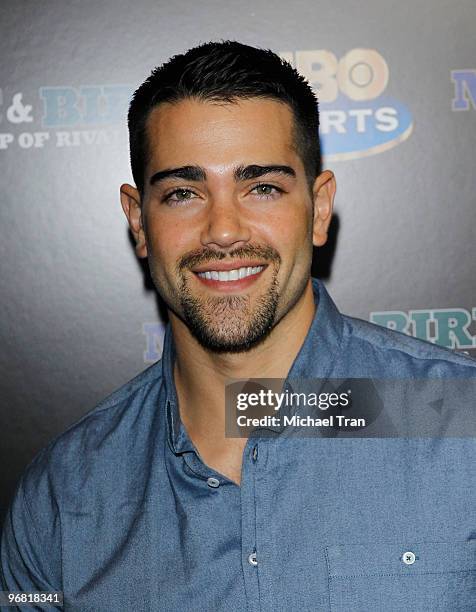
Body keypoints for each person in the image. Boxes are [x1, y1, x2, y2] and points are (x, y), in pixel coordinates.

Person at [1, 41, 475, 612]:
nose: (223, 231)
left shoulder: (459, 422)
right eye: (182, 193)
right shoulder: (63, 497)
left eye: (262, 188)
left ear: (319, 208)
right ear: (138, 221)